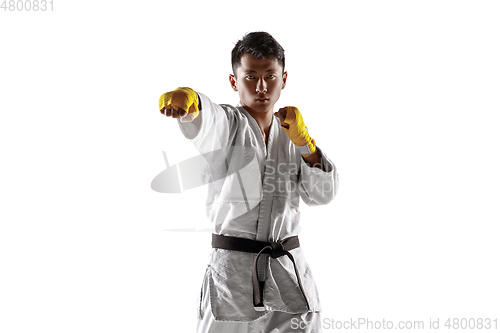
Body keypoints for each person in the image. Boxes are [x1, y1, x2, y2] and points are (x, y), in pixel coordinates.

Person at [158, 31, 339, 333]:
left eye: (270, 76)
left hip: (288, 271)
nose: (261, 86)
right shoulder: (229, 125)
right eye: (250, 76)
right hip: (234, 274)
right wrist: (194, 106)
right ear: (234, 81)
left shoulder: (293, 133)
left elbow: (322, 195)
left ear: (284, 79)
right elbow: (210, 121)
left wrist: (306, 144)